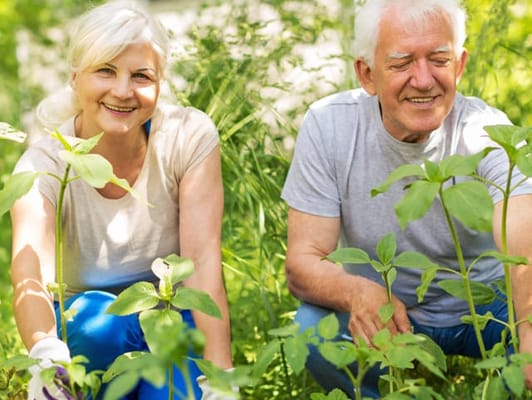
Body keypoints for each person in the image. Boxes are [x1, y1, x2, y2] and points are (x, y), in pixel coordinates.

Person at [281, 0, 532, 397]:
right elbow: (302, 262)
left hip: (487, 311)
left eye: (439, 59)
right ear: (367, 73)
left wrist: (529, 327)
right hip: (383, 309)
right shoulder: (329, 125)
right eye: (401, 63)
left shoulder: (487, 132)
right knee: (313, 332)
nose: (423, 80)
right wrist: (359, 292)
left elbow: (526, 249)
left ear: (460, 65)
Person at [9, 1, 233, 399]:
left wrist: (219, 380)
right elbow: (30, 275)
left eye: (141, 75)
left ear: (160, 82)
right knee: (100, 321)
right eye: (106, 71)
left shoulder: (187, 137)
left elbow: (201, 265)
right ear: (75, 77)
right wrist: (45, 352)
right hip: (87, 330)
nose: (123, 90)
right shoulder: (44, 163)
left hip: (170, 320)